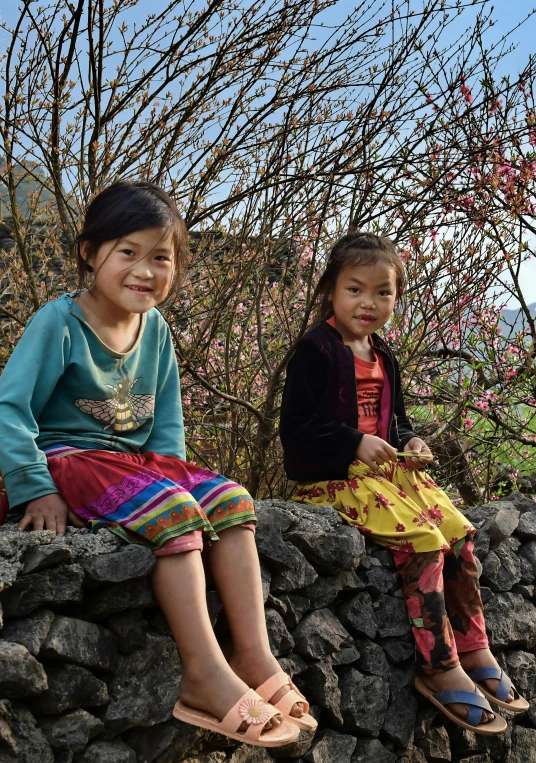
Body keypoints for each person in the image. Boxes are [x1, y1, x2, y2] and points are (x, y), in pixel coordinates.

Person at [0, 181, 317, 747]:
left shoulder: (157, 331)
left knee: (230, 500)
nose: (144, 271)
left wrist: (176, 476)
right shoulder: (60, 323)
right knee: (172, 512)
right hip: (67, 459)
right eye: (128, 253)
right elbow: (11, 405)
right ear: (88, 252)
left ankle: (252, 654)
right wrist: (32, 486)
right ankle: (202, 674)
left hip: (132, 464)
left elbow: (167, 425)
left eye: (161, 258)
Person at [279, 231, 528, 735]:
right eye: (355, 289)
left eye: (383, 292)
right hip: (334, 481)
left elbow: (396, 423)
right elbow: (297, 432)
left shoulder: (382, 353)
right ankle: (438, 666)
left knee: (459, 534)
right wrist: (352, 443)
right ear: (330, 289)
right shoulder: (315, 350)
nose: (369, 303)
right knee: (424, 541)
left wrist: (410, 442)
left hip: (385, 476)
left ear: (397, 296)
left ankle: (473, 645)